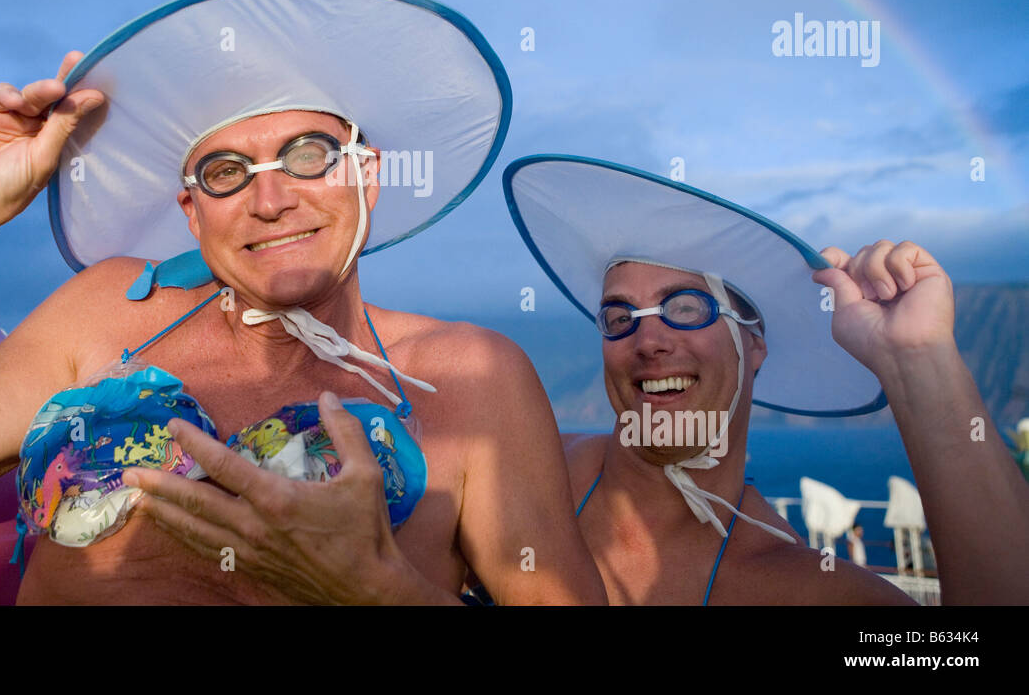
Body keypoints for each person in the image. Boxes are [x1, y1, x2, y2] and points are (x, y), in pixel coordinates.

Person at [0, 0, 605, 606]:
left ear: (366, 178)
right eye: (227, 172)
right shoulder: (104, 317)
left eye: (308, 153)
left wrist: (374, 594)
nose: (272, 197)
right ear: (192, 214)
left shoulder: (469, 377)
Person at [134, 154, 1029, 605]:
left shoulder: (815, 589)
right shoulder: (516, 473)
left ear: (755, 347)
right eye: (618, 317)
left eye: (685, 309)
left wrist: (921, 363)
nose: (646, 340)